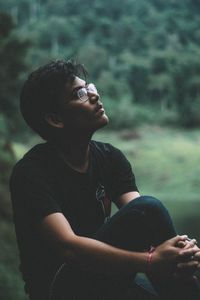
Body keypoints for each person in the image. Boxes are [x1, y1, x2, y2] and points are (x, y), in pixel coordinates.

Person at [10, 60, 200, 300]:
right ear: (55, 119)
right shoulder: (31, 172)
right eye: (79, 94)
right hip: (60, 288)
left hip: (108, 275)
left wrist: (183, 255)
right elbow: (68, 247)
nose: (94, 96)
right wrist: (150, 262)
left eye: (89, 87)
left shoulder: (110, 158)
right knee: (149, 208)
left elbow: (144, 221)